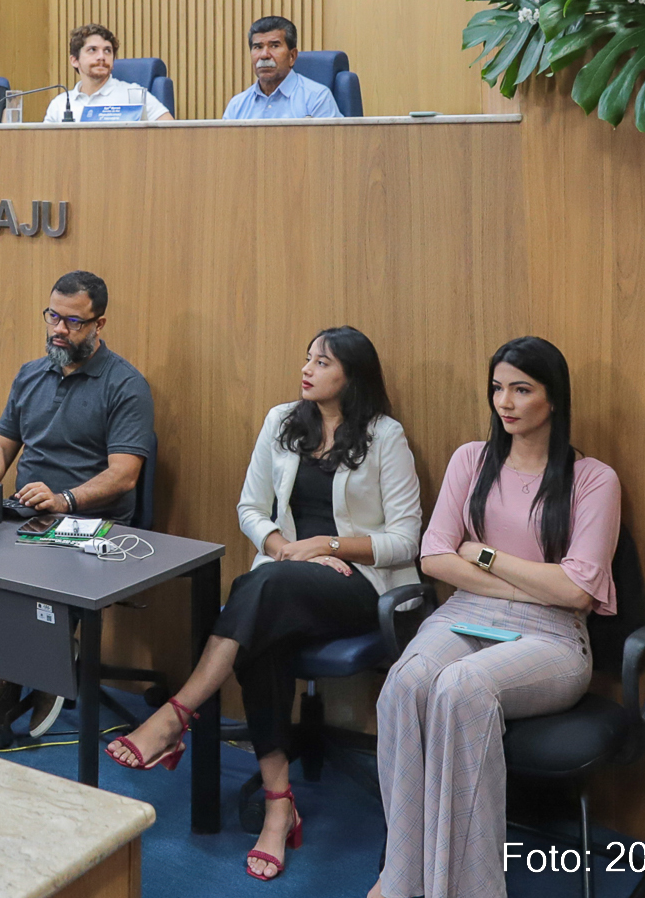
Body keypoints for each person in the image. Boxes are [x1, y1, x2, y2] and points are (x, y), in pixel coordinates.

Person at [104, 328, 421, 882]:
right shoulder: (281, 422)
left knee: (257, 592)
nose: (308, 369)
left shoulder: (383, 436)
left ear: (353, 375)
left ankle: (177, 714)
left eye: (323, 362)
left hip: (360, 583)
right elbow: (250, 508)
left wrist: (325, 546)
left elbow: (407, 538)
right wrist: (281, 549)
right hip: (286, 578)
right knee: (261, 631)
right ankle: (279, 808)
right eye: (307, 358)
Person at [372, 337, 621, 898]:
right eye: (497, 388)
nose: (504, 402)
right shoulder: (471, 460)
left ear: (553, 399)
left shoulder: (593, 480)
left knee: (461, 687)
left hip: (554, 639)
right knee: (406, 682)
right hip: (468, 614)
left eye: (521, 389)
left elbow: (578, 593)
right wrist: (540, 582)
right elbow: (434, 556)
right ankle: (401, 879)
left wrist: (482, 554)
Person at [0, 270, 155, 741]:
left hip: (95, 524)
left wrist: (64, 499)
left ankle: (38, 669)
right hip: (30, 515)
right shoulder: (31, 375)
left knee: (44, 567)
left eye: (72, 321)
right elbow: (1, 448)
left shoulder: (125, 385)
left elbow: (125, 474)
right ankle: (28, 659)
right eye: (53, 316)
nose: (58, 329)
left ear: (99, 324)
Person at [42, 23, 172, 122]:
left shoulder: (134, 95)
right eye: (92, 50)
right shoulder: (60, 104)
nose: (101, 57)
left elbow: (171, 133)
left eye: (107, 51)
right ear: (74, 60)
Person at [222, 16, 342, 120]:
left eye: (274, 46)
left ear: (292, 56)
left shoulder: (317, 98)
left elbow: (331, 145)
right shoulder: (237, 106)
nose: (264, 55)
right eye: (258, 47)